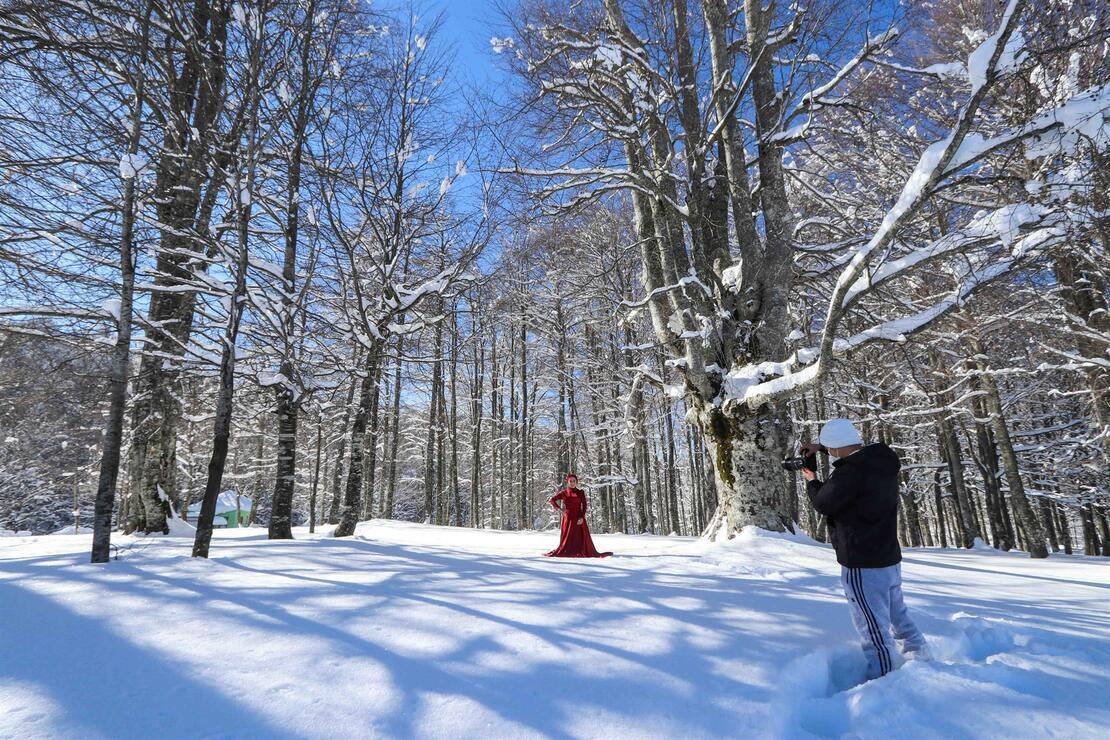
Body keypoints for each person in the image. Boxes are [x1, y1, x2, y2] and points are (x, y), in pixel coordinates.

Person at [799, 418, 931, 681]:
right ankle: (921, 658)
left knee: (872, 625)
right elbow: (848, 453)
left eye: (828, 447)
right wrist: (822, 448)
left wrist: (812, 480)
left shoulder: (850, 474)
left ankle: (883, 681)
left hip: (862, 561)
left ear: (835, 447)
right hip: (888, 557)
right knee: (898, 614)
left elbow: (824, 502)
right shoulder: (880, 461)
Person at [544, 474, 612, 558]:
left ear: (576, 482)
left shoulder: (580, 492)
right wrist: (559, 509)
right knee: (568, 537)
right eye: (570, 481)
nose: (572, 483)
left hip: (578, 517)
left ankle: (580, 550)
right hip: (568, 518)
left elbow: (584, 506)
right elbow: (552, 500)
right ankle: (567, 550)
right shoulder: (563, 493)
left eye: (574, 481)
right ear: (567, 482)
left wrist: (582, 517)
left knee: (579, 537)